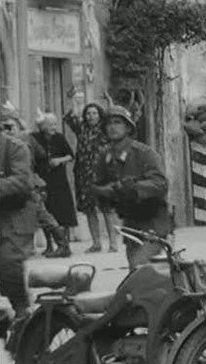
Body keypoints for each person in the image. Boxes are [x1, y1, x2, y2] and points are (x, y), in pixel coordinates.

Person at [92, 106, 169, 270]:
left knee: (141, 266)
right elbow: (99, 185)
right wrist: (104, 192)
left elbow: (160, 183)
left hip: (153, 220)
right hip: (130, 221)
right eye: (108, 123)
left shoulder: (144, 153)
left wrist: (133, 187)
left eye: (117, 122)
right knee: (136, 271)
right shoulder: (105, 156)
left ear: (128, 127)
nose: (112, 127)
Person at [1, 113, 69, 258]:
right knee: (39, 215)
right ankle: (57, 245)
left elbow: (41, 155)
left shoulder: (20, 141)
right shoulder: (13, 141)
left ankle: (63, 244)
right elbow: (42, 154)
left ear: (19, 127)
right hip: (24, 182)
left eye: (11, 126)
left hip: (28, 184)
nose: (8, 130)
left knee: (41, 214)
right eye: (5, 127)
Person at [0, 107, 37, 321]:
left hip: (16, 215)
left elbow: (22, 181)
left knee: (9, 265)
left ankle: (23, 312)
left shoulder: (15, 148)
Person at [64, 102, 118, 253]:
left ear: (100, 115)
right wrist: (73, 101)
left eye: (94, 113)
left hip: (102, 174)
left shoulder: (106, 128)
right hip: (84, 175)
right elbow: (69, 118)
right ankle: (96, 243)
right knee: (89, 209)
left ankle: (113, 243)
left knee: (107, 209)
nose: (91, 116)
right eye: (88, 113)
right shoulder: (81, 128)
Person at [31, 113, 77, 256]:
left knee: (63, 210)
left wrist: (59, 160)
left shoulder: (59, 137)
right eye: (50, 124)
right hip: (43, 178)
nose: (54, 127)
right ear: (42, 126)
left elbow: (70, 155)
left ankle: (64, 245)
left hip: (59, 179)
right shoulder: (35, 138)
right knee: (47, 210)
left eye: (55, 124)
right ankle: (49, 245)